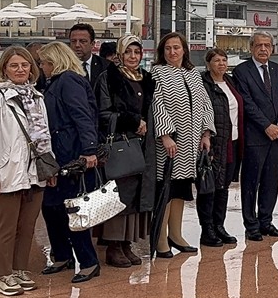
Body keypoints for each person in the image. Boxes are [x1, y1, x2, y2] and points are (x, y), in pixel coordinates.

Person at [0, 46, 50, 296]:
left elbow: (44, 137)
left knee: (27, 225)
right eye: (14, 65)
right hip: (7, 173)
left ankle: (19, 269)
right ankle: (2, 274)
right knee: (7, 226)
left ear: (32, 68)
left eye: (25, 65)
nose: (20, 70)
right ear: (4, 69)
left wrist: (48, 170)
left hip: (34, 173)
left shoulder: (38, 99)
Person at [37, 42, 101, 283]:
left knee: (73, 208)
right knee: (52, 207)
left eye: (43, 62)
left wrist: (88, 150)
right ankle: (62, 255)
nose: (41, 67)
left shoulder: (68, 81)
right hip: (59, 154)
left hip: (72, 154)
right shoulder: (57, 82)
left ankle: (88, 261)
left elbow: (82, 115)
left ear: (54, 61)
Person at [150, 32, 214, 254]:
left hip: (191, 143)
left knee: (181, 190)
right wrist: (165, 135)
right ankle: (160, 239)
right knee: (166, 190)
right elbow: (156, 105)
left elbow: (205, 103)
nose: (172, 52)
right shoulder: (157, 73)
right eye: (168, 48)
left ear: (184, 50)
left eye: (176, 47)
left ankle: (175, 234)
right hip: (170, 144)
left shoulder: (193, 74)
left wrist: (206, 133)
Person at [96, 35, 157, 265]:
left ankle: (126, 243)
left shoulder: (145, 78)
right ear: (120, 54)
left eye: (137, 52)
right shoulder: (109, 78)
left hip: (141, 145)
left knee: (135, 195)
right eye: (128, 52)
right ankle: (113, 244)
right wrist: (132, 121)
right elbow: (103, 113)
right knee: (118, 194)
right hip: (121, 144)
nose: (133, 57)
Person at [233, 31, 278, 241]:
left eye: (267, 45)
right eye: (259, 45)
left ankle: (266, 221)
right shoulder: (241, 71)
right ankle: (251, 224)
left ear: (272, 48)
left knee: (271, 181)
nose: (263, 49)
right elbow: (247, 102)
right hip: (255, 136)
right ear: (251, 48)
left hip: (276, 136)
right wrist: (266, 125)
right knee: (250, 182)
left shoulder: (275, 69)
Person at [198, 48, 244, 244]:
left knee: (223, 186)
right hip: (213, 142)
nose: (221, 64)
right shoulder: (203, 84)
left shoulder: (231, 82)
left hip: (232, 141)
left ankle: (219, 225)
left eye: (224, 60)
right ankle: (207, 229)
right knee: (209, 186)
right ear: (209, 63)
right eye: (217, 60)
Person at [68, 23, 106, 93]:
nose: (77, 45)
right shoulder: (64, 67)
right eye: (73, 41)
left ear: (92, 44)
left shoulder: (105, 66)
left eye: (83, 41)